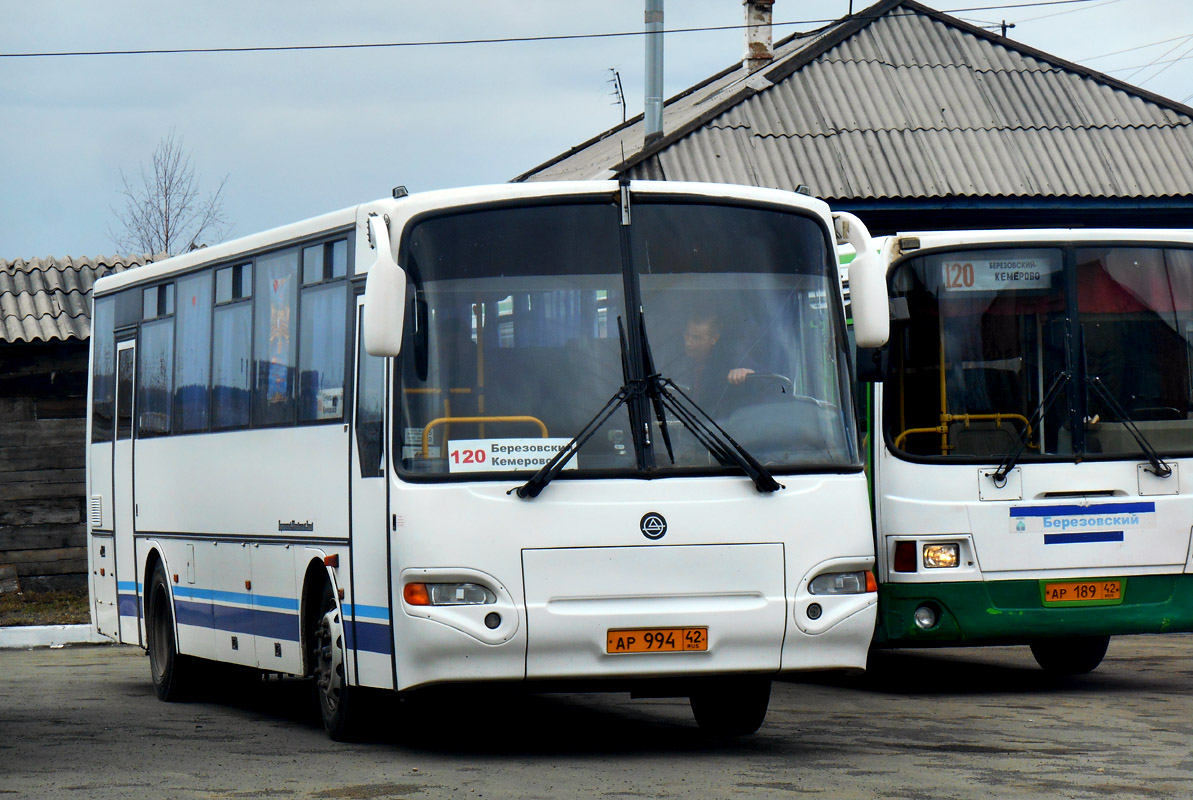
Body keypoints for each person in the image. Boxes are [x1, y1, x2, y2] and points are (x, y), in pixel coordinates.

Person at [672, 308, 754, 413]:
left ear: (714, 339)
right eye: (687, 335)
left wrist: (747, 373)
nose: (688, 343)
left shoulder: (729, 361)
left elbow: (764, 378)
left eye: (696, 338)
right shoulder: (675, 359)